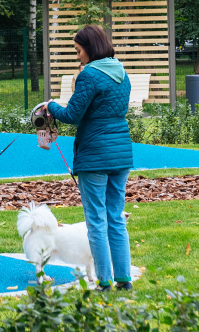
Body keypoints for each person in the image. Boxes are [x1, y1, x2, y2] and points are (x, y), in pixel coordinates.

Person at [39, 24, 134, 291]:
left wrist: (51, 106)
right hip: (121, 152)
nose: (77, 56)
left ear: (90, 49)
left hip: (95, 155)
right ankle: (124, 280)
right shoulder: (121, 72)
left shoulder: (89, 75)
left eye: (78, 51)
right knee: (115, 218)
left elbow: (72, 115)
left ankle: (104, 281)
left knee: (96, 221)